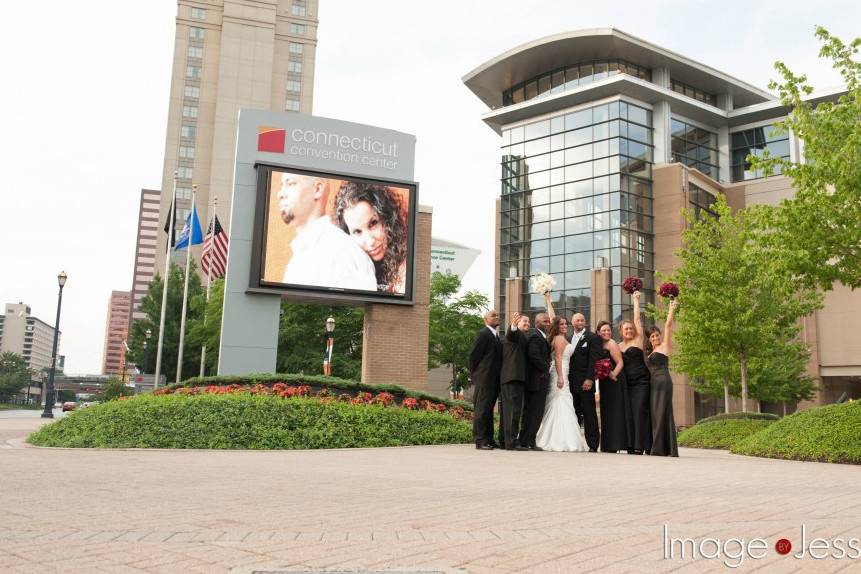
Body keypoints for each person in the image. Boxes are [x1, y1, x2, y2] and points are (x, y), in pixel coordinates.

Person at [277, 173, 377, 291]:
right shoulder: (298, 258)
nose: (280, 194)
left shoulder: (343, 253)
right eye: (282, 185)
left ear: (318, 189)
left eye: (291, 183)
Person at [535, 294, 589, 452]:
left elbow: (552, 317)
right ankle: (559, 439)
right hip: (560, 373)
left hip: (564, 372)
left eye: (566, 323)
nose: (565, 326)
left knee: (564, 403)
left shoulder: (562, 337)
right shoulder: (559, 339)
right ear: (557, 326)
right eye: (562, 324)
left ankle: (564, 438)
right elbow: (558, 358)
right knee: (561, 402)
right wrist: (559, 377)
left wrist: (548, 300)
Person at [335, 182, 408, 294]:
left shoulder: (407, 267)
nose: (370, 241)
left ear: (388, 218)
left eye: (373, 223)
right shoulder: (350, 268)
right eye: (357, 232)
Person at [619, 291, 652, 455]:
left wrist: (636, 300)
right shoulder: (618, 346)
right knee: (630, 413)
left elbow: (638, 320)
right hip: (627, 385)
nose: (629, 330)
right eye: (626, 329)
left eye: (631, 328)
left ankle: (643, 445)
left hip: (641, 382)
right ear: (621, 331)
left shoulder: (638, 341)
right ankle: (631, 445)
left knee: (640, 411)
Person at [646, 299, 680, 457]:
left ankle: (660, 449)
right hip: (653, 386)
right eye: (652, 336)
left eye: (656, 335)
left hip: (664, 383)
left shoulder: (665, 346)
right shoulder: (649, 352)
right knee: (656, 414)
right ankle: (662, 447)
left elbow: (667, 326)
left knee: (662, 413)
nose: (654, 338)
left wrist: (671, 308)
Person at [568, 313, 603, 452]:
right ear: (572, 322)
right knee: (574, 412)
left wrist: (589, 378)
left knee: (589, 413)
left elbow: (594, 359)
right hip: (571, 383)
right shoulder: (568, 338)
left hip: (586, 382)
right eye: (577, 320)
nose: (580, 322)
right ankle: (575, 443)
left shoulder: (593, 338)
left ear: (585, 322)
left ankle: (593, 444)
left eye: (582, 319)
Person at [518, 310, 552, 451]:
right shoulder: (535, 337)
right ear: (537, 323)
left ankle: (530, 440)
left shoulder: (543, 337)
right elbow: (533, 355)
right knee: (532, 412)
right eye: (545, 321)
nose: (548, 323)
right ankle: (526, 441)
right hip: (536, 382)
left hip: (540, 381)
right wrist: (547, 367)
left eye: (548, 321)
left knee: (536, 413)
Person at [469, 310, 502, 450]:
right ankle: (480, 440)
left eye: (497, 315)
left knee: (488, 410)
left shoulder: (496, 336)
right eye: (493, 316)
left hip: (494, 379)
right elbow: (473, 356)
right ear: (485, 320)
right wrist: (476, 375)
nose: (496, 317)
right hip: (484, 378)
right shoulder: (483, 334)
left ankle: (489, 439)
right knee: (482, 410)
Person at [500, 312, 531, 450]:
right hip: (513, 377)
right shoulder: (515, 335)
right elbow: (511, 333)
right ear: (517, 323)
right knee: (513, 411)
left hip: (514, 378)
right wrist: (512, 325)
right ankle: (512, 442)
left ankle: (504, 441)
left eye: (529, 322)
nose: (527, 324)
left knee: (509, 411)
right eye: (524, 321)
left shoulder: (523, 337)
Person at [595, 320, 628, 453]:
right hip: (604, 382)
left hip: (615, 381)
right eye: (604, 330)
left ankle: (615, 444)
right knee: (606, 411)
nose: (607, 332)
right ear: (598, 332)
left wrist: (613, 374)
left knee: (615, 411)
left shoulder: (611, 343)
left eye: (608, 330)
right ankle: (608, 445)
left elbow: (620, 362)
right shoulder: (598, 344)